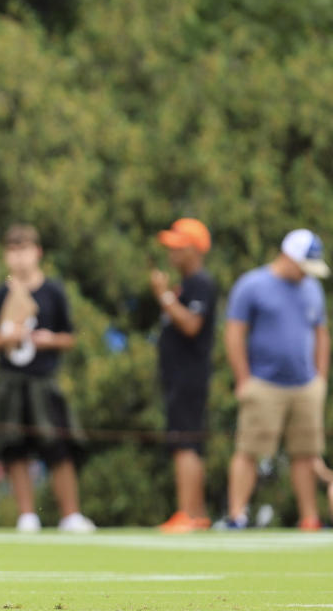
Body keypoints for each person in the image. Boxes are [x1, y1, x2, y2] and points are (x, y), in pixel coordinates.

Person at [0, 224, 94, 532]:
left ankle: (70, 515)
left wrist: (50, 340)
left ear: (37, 252)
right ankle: (27, 516)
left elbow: (70, 337)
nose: (18, 258)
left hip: (44, 381)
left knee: (58, 448)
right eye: (12, 251)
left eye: (24, 250)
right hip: (11, 382)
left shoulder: (53, 291)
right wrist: (7, 338)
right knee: (15, 448)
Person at [224, 229, 329, 530]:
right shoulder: (253, 285)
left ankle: (309, 518)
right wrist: (243, 379)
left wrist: (320, 379)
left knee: (306, 454)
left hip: (306, 386)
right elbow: (234, 333)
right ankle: (237, 515)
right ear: (288, 257)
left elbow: (321, 335)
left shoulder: (312, 289)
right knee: (248, 450)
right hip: (264, 384)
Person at [149, 218, 218, 533]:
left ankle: (188, 513)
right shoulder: (188, 283)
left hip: (189, 376)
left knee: (185, 442)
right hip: (180, 376)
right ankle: (196, 513)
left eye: (177, 248)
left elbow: (191, 325)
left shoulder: (200, 282)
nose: (172, 254)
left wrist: (164, 296)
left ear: (194, 249)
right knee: (187, 441)